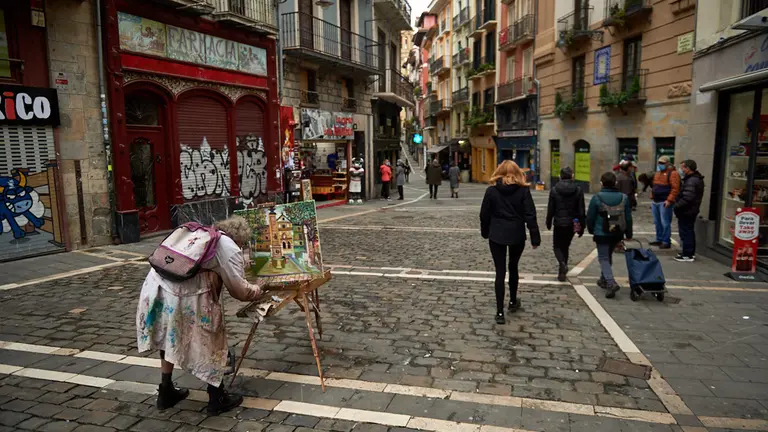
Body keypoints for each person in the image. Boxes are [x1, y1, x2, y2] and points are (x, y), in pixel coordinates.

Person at [136, 216, 264, 415]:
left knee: (168, 337)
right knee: (210, 340)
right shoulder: (228, 247)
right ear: (240, 240)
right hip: (184, 295)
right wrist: (258, 289)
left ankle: (166, 390)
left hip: (156, 286)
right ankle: (217, 396)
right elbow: (239, 291)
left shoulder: (202, 234)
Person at [480, 160, 541, 324]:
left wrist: (485, 232)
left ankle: (500, 312)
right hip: (516, 233)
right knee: (513, 266)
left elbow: (484, 214)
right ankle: (513, 300)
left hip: (497, 234)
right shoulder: (523, 191)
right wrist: (535, 237)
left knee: (500, 271)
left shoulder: (491, 191)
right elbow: (530, 214)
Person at [587, 172, 633, 299]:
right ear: (615, 183)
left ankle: (610, 282)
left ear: (601, 183)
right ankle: (603, 279)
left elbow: (590, 216)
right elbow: (628, 217)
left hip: (601, 232)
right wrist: (629, 233)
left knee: (603, 257)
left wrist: (591, 229)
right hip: (617, 232)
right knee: (608, 255)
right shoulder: (624, 197)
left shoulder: (597, 198)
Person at [545, 167, 585, 281]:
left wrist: (548, 221)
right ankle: (562, 272)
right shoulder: (578, 190)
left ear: (560, 176)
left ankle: (562, 264)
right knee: (565, 246)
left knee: (557, 246)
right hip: (572, 223)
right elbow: (581, 210)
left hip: (559, 222)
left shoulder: (554, 190)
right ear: (572, 176)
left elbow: (551, 208)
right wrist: (582, 226)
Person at [674, 160, 705, 262]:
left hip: (687, 210)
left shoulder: (691, 181)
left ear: (688, 168)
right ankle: (688, 252)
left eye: (683, 167)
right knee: (688, 231)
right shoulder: (693, 179)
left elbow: (688, 197)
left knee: (686, 232)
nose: (681, 170)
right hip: (689, 210)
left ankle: (687, 254)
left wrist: (676, 205)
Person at [650, 156, 681, 249]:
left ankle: (666, 241)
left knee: (665, 222)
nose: (660, 164)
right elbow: (654, 185)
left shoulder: (673, 173)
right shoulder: (658, 173)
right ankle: (659, 239)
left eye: (663, 163)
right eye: (659, 162)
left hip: (664, 201)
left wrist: (669, 200)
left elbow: (675, 188)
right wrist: (652, 195)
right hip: (656, 200)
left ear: (668, 163)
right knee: (657, 222)